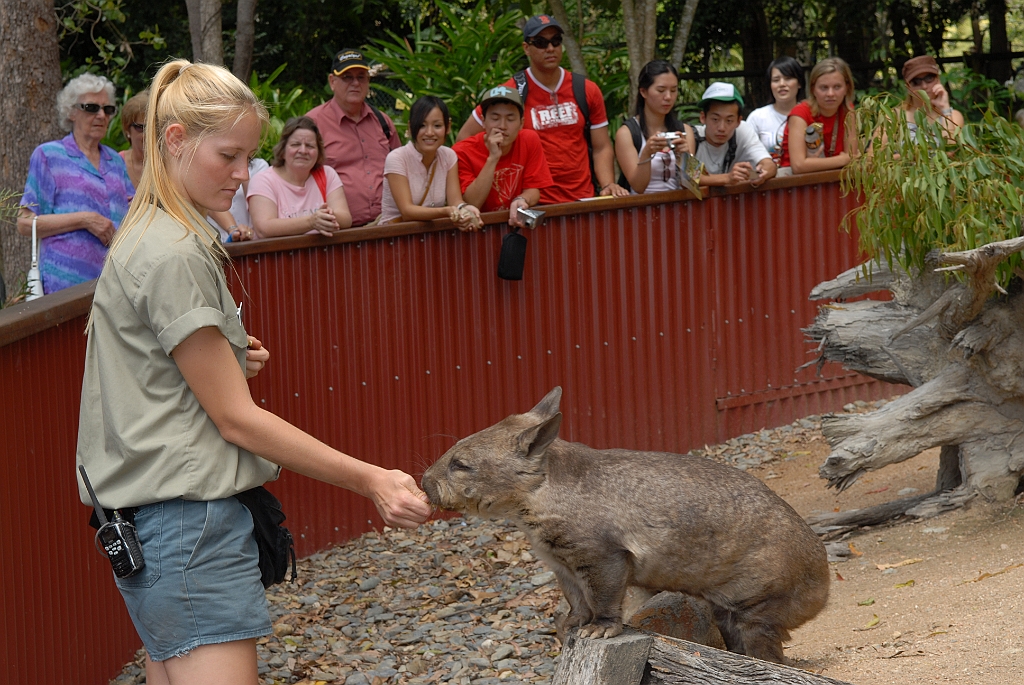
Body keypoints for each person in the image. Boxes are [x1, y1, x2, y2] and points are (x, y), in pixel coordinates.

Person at [76, 59, 431, 685]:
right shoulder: (176, 251)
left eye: (249, 158)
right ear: (176, 140)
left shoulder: (146, 231)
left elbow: (154, 374)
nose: (243, 175)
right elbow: (236, 420)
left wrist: (230, 359)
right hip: (187, 526)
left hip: (149, 525)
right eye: (229, 156)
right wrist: (372, 477)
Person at [455, 15, 627, 202]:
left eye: (555, 41)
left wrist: (608, 184)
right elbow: (465, 140)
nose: (550, 48)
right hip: (531, 201)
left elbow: (601, 147)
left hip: (581, 198)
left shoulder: (586, 89)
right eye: (541, 42)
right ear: (526, 48)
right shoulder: (511, 92)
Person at [16, 73, 134, 294]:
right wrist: (85, 219)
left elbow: (131, 207)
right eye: (91, 107)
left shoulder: (115, 160)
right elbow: (24, 223)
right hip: (67, 289)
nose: (101, 115)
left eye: (107, 109)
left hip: (116, 287)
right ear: (71, 112)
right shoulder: (49, 156)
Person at [305, 49, 400, 226]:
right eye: (347, 77)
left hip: (388, 226)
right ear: (332, 82)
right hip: (338, 234)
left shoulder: (383, 122)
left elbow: (400, 170)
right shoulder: (312, 125)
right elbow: (294, 177)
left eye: (361, 77)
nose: (355, 83)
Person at [452, 86, 553, 228]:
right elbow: (472, 202)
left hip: (515, 225)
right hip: (478, 227)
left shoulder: (529, 140)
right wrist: (493, 158)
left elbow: (534, 190)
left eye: (510, 119)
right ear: (483, 121)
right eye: (495, 118)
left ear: (521, 123)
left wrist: (522, 200)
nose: (502, 126)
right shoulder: (462, 151)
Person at [379, 96, 482, 230]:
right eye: (422, 125)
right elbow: (407, 211)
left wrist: (465, 209)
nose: (429, 133)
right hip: (394, 238)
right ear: (410, 127)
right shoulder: (397, 158)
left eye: (437, 126)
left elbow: (455, 201)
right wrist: (446, 211)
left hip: (431, 236)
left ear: (448, 127)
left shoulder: (449, 156)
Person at [248, 116, 352, 238]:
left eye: (310, 146)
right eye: (296, 144)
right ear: (283, 149)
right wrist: (311, 222)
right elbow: (264, 229)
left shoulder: (327, 174)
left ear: (318, 151)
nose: (303, 150)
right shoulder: (263, 180)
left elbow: (346, 219)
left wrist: (326, 216)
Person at [615, 60, 695, 194]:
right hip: (640, 209)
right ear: (643, 92)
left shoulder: (685, 130)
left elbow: (692, 183)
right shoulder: (627, 133)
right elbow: (638, 186)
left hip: (677, 208)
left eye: (674, 90)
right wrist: (646, 154)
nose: (668, 97)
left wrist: (685, 157)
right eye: (661, 90)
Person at [778, 57, 858, 175]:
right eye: (824, 88)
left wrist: (847, 159)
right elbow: (798, 165)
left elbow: (852, 160)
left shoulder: (849, 112)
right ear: (813, 89)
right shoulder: (800, 113)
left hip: (835, 177)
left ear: (847, 88)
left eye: (837, 87)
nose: (830, 94)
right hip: (794, 181)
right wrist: (843, 159)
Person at [693, 83, 776, 187]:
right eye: (715, 119)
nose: (721, 128)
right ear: (703, 117)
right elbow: (689, 176)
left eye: (729, 120)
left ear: (738, 121)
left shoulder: (743, 131)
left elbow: (769, 164)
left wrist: (762, 174)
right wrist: (728, 178)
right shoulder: (692, 136)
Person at [746, 56, 805, 166]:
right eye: (776, 80)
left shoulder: (809, 114)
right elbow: (746, 156)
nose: (782, 84)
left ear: (799, 83)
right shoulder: (757, 117)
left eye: (788, 78)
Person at [898, 55, 964, 142]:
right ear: (908, 87)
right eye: (916, 82)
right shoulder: (894, 118)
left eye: (929, 78)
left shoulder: (953, 116)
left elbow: (951, 149)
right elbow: (874, 154)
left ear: (938, 80)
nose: (924, 86)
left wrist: (945, 110)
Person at [208, 156, 270, 242]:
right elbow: (209, 199)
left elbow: (259, 209)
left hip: (251, 240)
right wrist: (233, 229)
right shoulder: (210, 165)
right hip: (216, 239)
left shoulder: (259, 166)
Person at [119, 90, 149, 188]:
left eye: (154, 127)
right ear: (127, 129)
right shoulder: (115, 164)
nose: (148, 134)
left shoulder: (169, 166)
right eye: (141, 127)